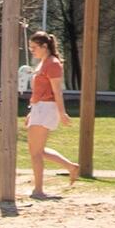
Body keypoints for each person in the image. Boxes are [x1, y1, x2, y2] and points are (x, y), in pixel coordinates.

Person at [25, 29, 78, 198]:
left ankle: (39, 189)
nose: (31, 50)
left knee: (35, 152)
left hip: (46, 108)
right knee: (37, 150)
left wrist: (62, 113)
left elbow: (57, 91)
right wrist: (31, 111)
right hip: (39, 107)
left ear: (44, 46)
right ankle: (71, 167)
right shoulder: (43, 62)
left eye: (34, 47)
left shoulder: (53, 64)